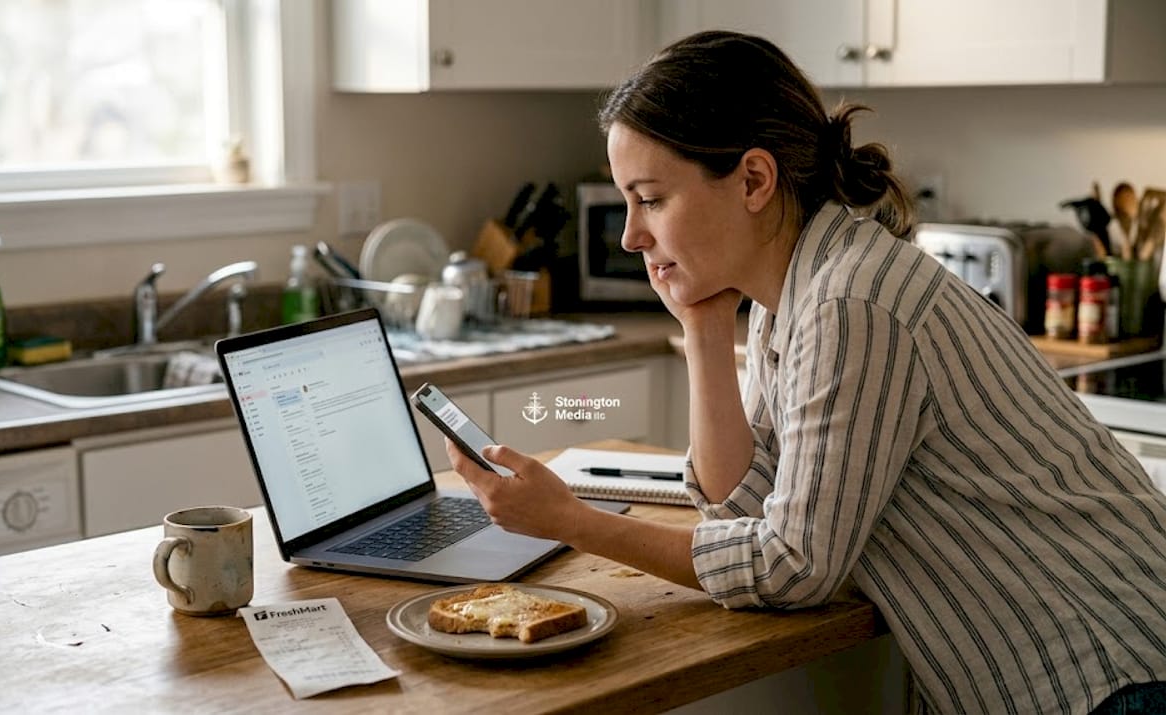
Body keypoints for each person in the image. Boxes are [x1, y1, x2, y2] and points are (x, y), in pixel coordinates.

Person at [446, 30, 1166, 715]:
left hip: (1111, 672)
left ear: (753, 178)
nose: (634, 234)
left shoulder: (851, 302)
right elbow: (744, 511)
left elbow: (792, 565)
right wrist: (702, 327)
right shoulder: (789, 295)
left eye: (652, 197)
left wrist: (571, 521)